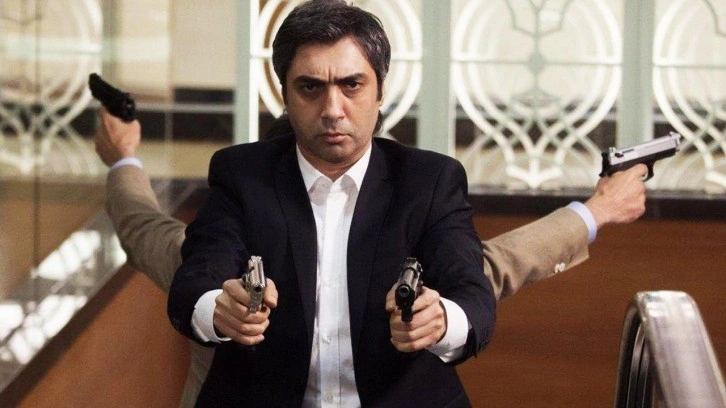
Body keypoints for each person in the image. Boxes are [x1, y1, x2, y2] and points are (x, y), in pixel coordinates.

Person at [96, 5, 647, 408]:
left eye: (352, 86)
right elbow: (187, 267)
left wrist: (442, 320)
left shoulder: (426, 185)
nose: (333, 110)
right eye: (310, 89)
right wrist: (217, 309)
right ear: (285, 96)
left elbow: (477, 279)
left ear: (380, 92)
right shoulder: (240, 184)